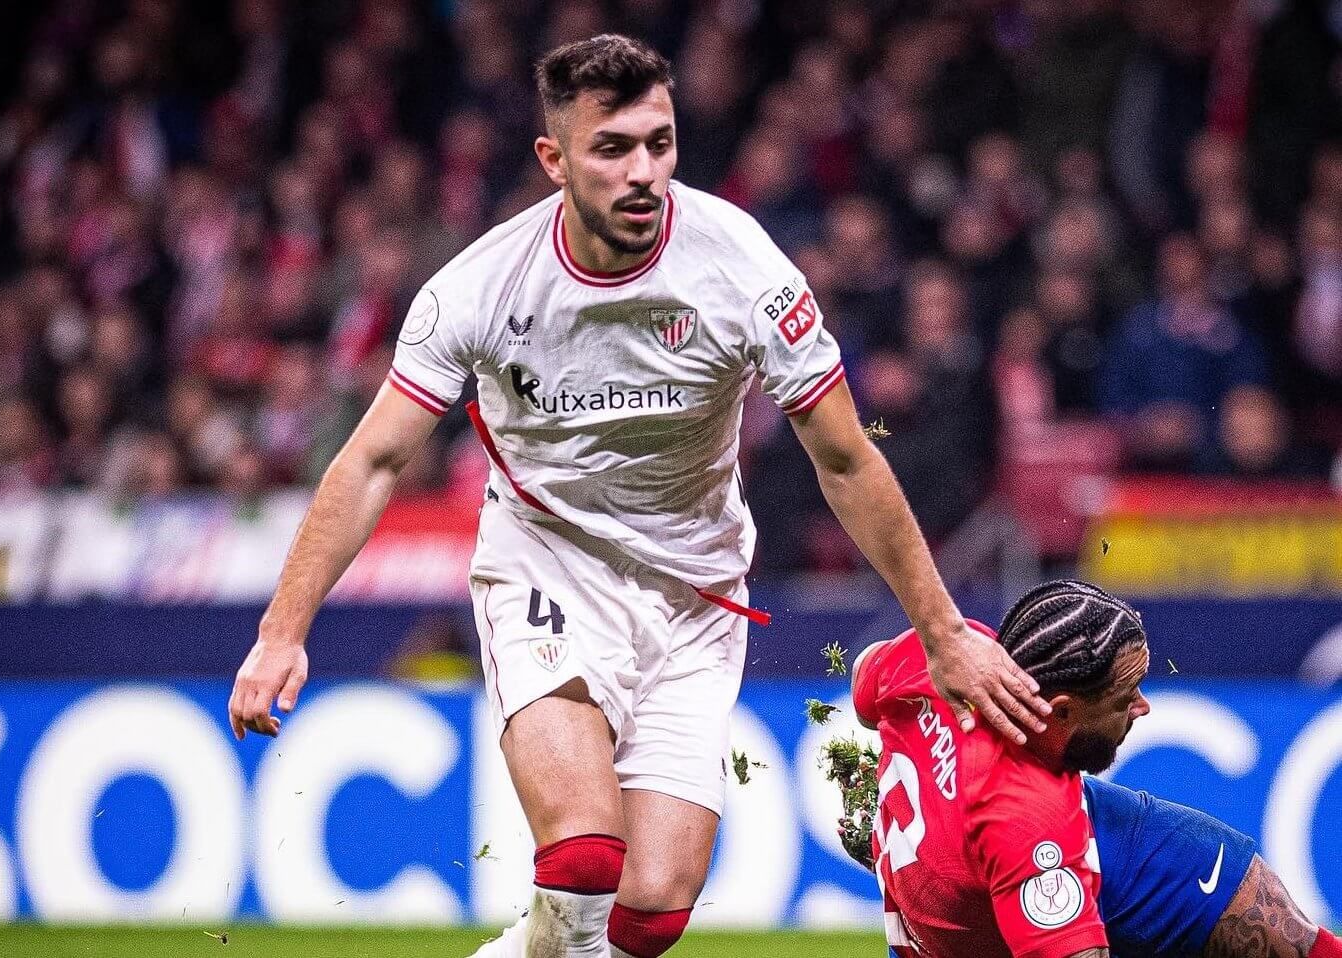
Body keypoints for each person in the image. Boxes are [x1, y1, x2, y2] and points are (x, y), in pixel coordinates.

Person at [228, 34, 1050, 958]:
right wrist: (281, 630)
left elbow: (848, 460)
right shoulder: (478, 288)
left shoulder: (742, 267)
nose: (643, 172)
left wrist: (941, 631)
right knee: (583, 854)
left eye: (659, 143)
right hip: (546, 566)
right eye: (612, 148)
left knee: (649, 914)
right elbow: (372, 460)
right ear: (554, 160)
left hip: (695, 592)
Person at [845, 579, 1342, 958]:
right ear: (1061, 711)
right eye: (1125, 696)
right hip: (1093, 875)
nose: (1142, 707)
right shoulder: (1031, 819)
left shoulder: (949, 655)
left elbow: (865, 681)